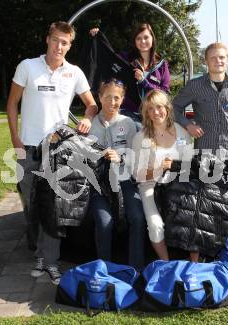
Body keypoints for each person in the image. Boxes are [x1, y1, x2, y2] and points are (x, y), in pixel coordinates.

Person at [6, 21, 98, 285]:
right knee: (31, 203)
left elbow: (91, 105)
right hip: (28, 147)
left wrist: (88, 119)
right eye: (56, 40)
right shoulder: (27, 67)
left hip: (58, 150)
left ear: (70, 45)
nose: (60, 46)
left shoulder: (74, 72)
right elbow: (12, 103)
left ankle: (52, 262)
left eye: (65, 42)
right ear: (47, 39)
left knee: (53, 207)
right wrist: (15, 138)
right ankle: (39, 254)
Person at [173, 42, 228, 195]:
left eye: (222, 57)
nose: (218, 61)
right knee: (206, 200)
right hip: (206, 153)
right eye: (213, 58)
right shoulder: (195, 86)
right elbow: (173, 108)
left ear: (227, 60)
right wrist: (188, 125)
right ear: (206, 61)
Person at [88, 78, 146, 270]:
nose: (112, 102)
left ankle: (135, 269)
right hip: (100, 185)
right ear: (99, 97)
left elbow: (135, 156)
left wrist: (120, 158)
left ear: (122, 99)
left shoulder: (128, 123)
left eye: (116, 98)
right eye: (107, 97)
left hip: (125, 181)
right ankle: (105, 269)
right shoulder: (90, 125)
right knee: (105, 223)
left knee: (137, 218)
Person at [132, 90, 195, 261]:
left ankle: (195, 267)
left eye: (159, 107)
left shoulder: (182, 132)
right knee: (155, 225)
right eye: (150, 109)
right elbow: (138, 175)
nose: (156, 112)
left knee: (192, 218)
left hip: (178, 185)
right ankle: (165, 264)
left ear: (167, 108)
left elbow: (189, 164)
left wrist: (175, 168)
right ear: (146, 113)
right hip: (150, 187)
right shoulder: (141, 138)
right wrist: (160, 168)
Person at [89, 23, 170, 117]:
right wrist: (98, 39)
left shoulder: (162, 65)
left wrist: (143, 82)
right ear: (134, 41)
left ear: (152, 38)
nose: (143, 41)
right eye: (138, 38)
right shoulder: (125, 59)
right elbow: (107, 58)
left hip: (154, 114)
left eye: (146, 37)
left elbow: (165, 93)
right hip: (128, 113)